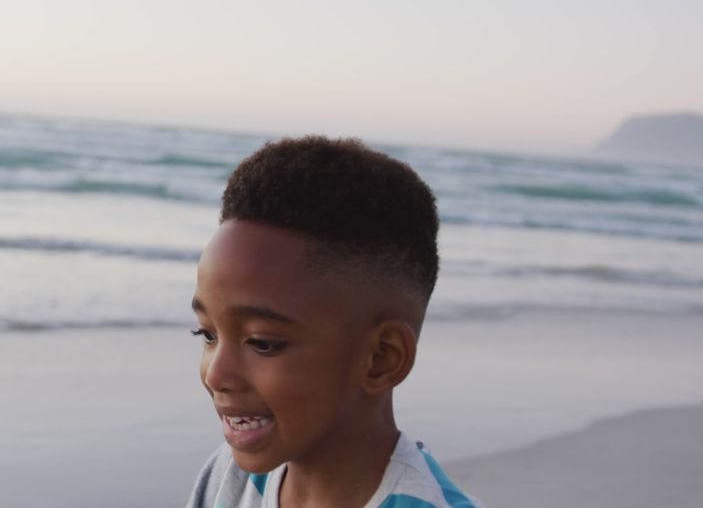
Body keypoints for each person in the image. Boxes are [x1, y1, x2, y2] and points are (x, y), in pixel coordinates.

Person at [186, 136, 481, 507]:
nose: (216, 375)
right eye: (208, 334)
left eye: (263, 343)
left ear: (381, 359)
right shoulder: (233, 476)